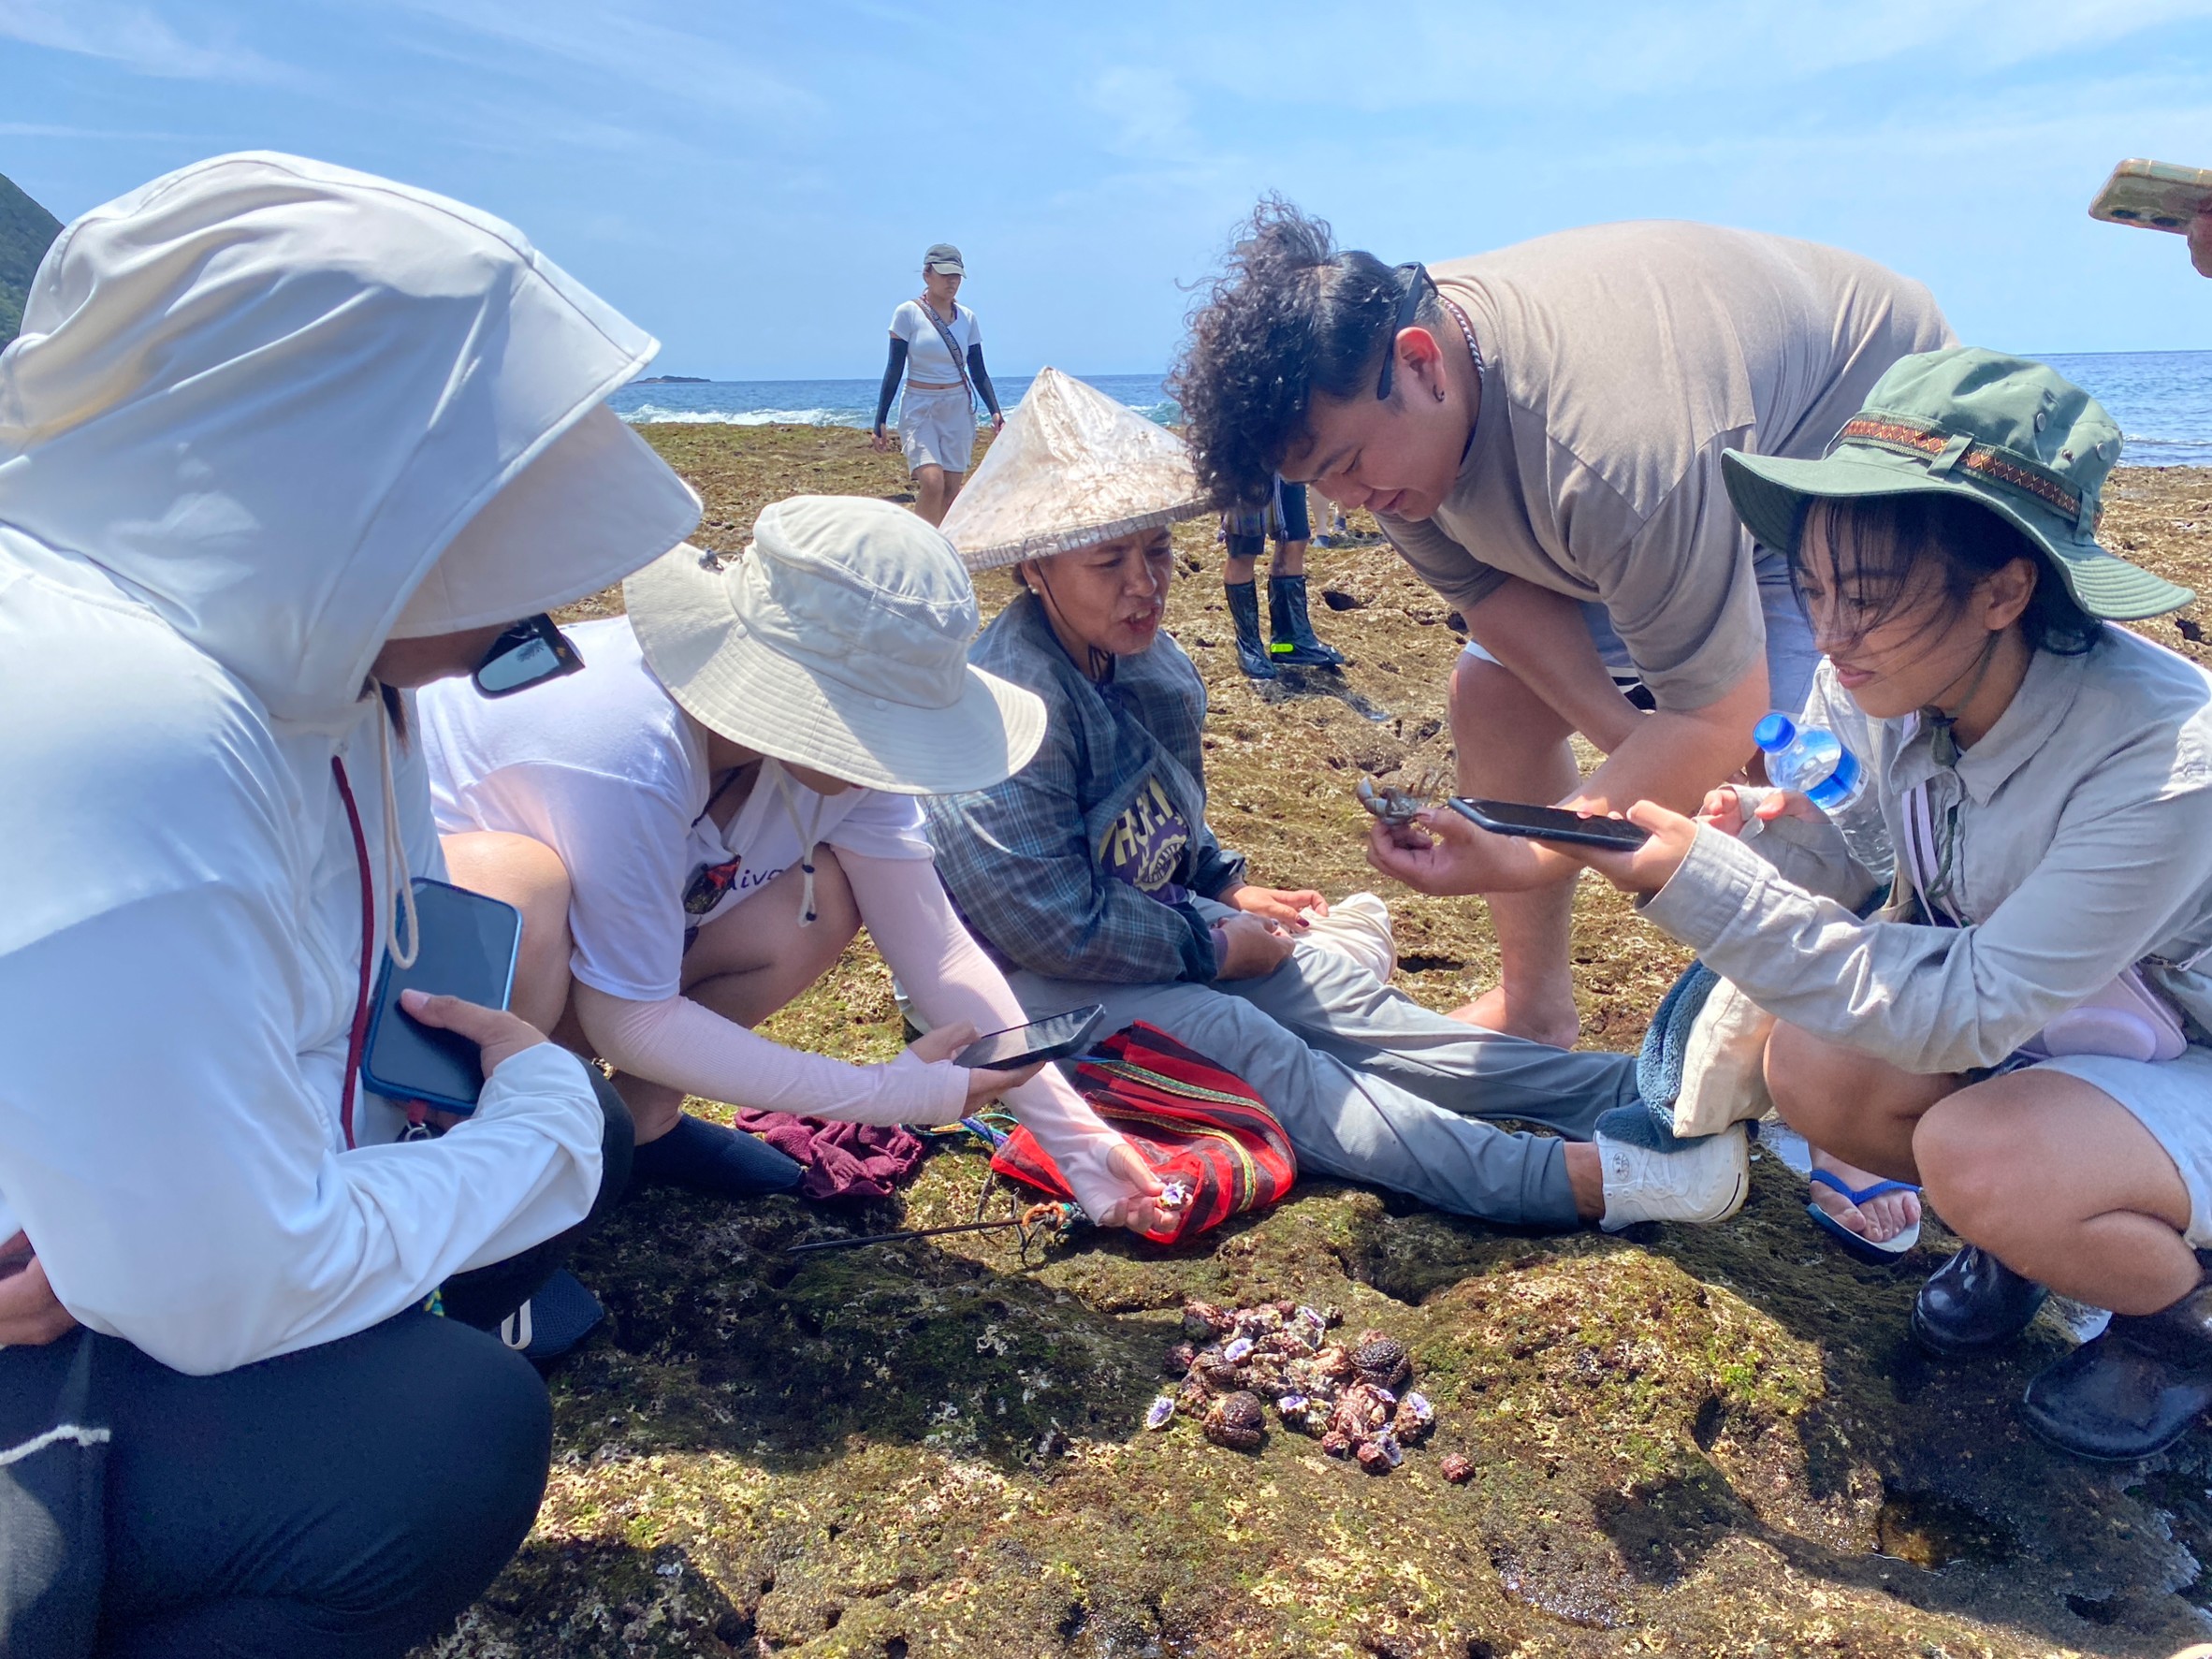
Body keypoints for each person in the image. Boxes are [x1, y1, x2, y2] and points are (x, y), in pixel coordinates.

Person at [0, 153, 695, 1656]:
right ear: (343, 487)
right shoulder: (130, 723)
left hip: (159, 1236)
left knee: (540, 1213)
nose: (541, 606)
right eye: (503, 516)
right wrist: (545, 1126)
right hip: (90, 1313)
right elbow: (222, 1285)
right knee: (441, 1435)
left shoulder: (321, 671)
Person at [1486, 348, 2212, 1462]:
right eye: (1812, 589)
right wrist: (1765, 839)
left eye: (1867, 600)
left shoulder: (2165, 755)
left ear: (2006, 589)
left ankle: (2175, 1321)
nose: (1828, 635)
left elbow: (1970, 1009)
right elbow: (1862, 845)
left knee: (1981, 1156)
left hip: (2180, 1042)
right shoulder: (1888, 681)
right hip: (2068, 1013)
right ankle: (2030, 1240)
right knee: (1815, 1069)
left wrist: (1706, 889)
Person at [924, 368, 1752, 1233]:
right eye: (1108, 562)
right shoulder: (1008, 706)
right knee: (1253, 1042)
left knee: (1340, 996)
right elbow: (1042, 922)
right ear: (1034, 568)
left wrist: (1228, 885)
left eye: (1158, 551)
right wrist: (1211, 943)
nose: (1146, 585)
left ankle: (1636, 1089)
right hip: (1023, 988)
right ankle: (1564, 1180)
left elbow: (1175, 826)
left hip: (1150, 930)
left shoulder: (1155, 666)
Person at [1172, 199, 1954, 1055]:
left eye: (1351, 467)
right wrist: (1638, 750)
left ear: (1423, 363)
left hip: (1852, 437)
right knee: (1491, 692)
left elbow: (1720, 714)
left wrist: (1540, 845)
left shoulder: (1611, 456)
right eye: (1323, 483)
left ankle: (1845, 1046)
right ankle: (1534, 1009)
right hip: (1696, 453)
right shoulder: (1396, 430)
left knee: (1807, 796)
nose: (1351, 504)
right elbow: (1496, 603)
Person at [419, 494, 1168, 1230]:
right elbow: (629, 1019)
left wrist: (1081, 1144)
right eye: (877, 724)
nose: (890, 757)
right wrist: (883, 1093)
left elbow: (934, 945)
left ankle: (639, 1124)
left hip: (592, 971)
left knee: (831, 896)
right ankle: (472, 1199)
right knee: (519, 888)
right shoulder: (626, 741)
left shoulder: (853, 763)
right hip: (423, 981)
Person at [872, 242, 1004, 526]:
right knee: (932, 483)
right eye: (945, 275)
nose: (952, 282)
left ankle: (942, 550)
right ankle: (920, 548)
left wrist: (995, 411)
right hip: (920, 406)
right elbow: (894, 368)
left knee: (951, 491)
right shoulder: (907, 313)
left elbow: (978, 371)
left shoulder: (968, 318)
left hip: (957, 407)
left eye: (956, 276)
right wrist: (880, 418)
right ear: (927, 275)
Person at [1219, 473, 1343, 678]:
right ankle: (1249, 645)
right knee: (1243, 551)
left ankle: (1289, 642)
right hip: (1245, 462)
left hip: (1285, 461)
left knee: (1296, 539)